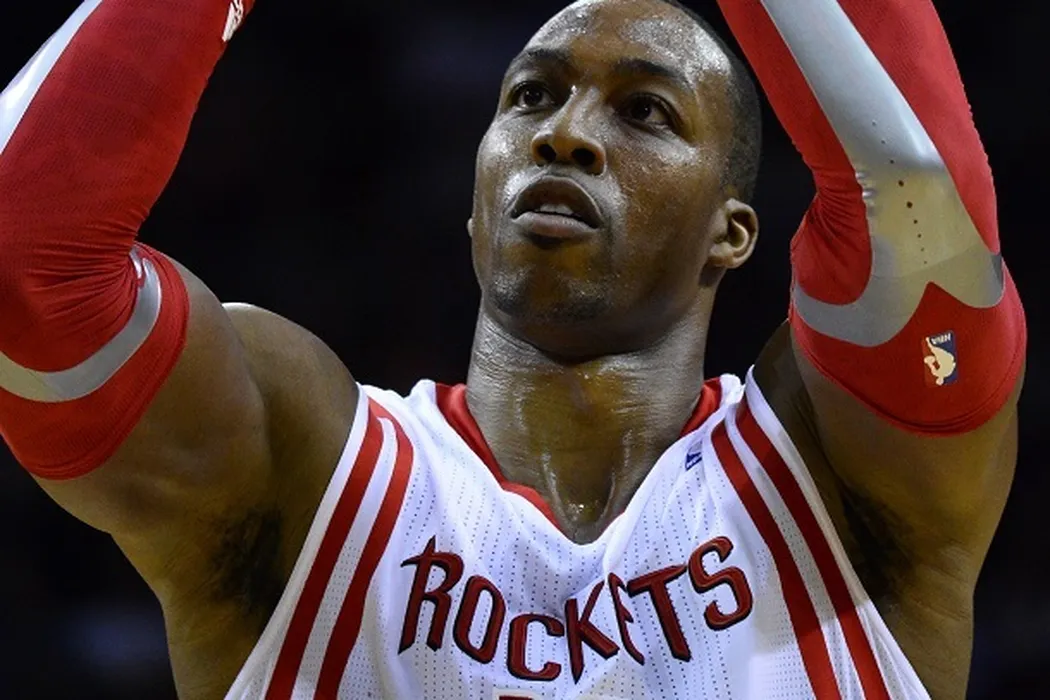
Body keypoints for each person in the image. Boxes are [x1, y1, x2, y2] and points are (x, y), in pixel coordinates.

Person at [0, 0, 1026, 697]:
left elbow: (919, 200)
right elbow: (22, 265)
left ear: (732, 232)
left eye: (646, 111)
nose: (562, 134)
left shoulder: (840, 474)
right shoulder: (310, 469)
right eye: (531, 95)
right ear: (474, 204)